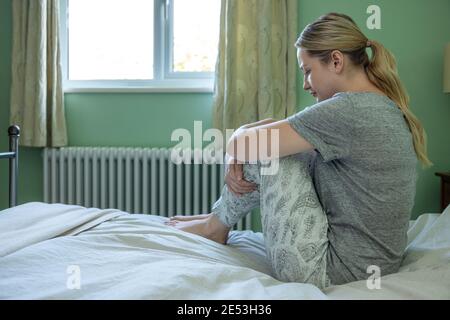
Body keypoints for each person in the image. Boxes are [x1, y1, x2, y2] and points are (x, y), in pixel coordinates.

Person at [165, 12, 431, 288]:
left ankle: (215, 226)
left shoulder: (347, 110)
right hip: (371, 266)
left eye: (307, 71)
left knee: (272, 154)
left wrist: (239, 149)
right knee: (275, 146)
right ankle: (215, 221)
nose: (305, 83)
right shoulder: (377, 106)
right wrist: (244, 147)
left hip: (333, 271)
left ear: (336, 61)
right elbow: (271, 133)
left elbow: (242, 143)